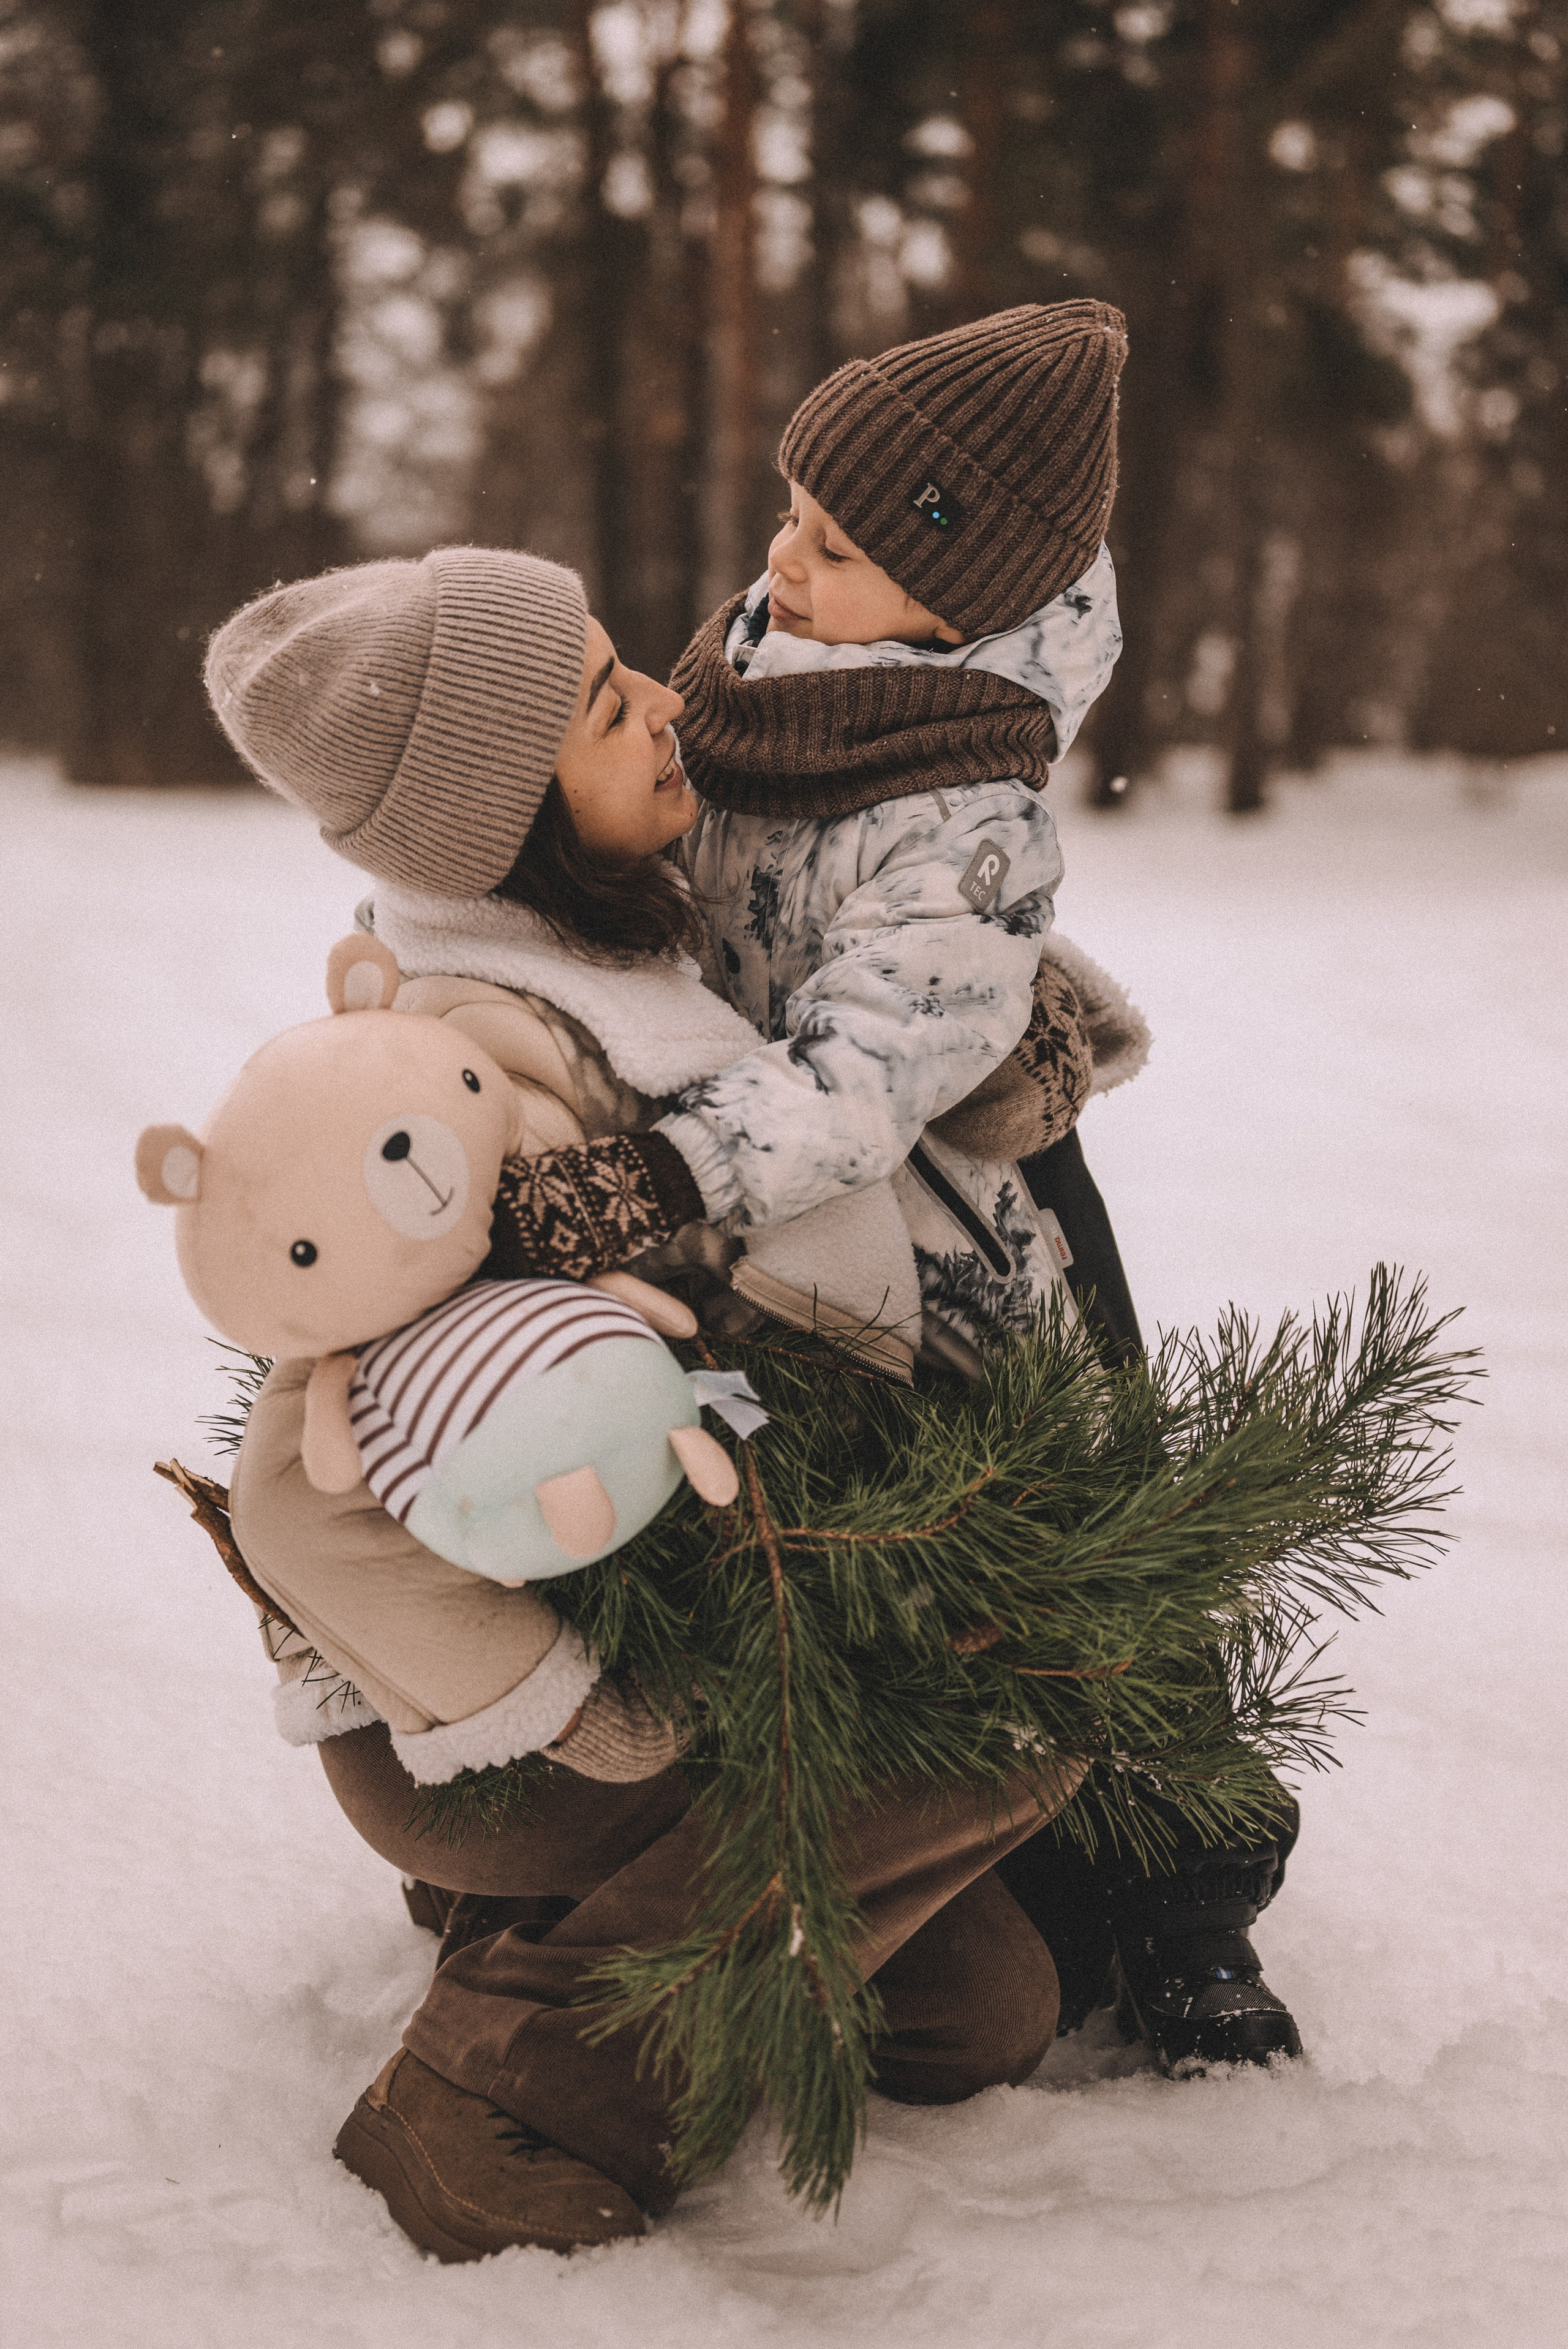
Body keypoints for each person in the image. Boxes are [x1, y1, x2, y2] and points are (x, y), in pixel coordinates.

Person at [206, 544, 1085, 2262]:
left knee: (979, 2013)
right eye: (611, 705)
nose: (669, 703)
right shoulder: (450, 1065)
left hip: (690, 1621)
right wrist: (562, 1701)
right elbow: (292, 1495)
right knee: (1012, 1707)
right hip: (536, 1709)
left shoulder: (605, 954)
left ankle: (533, 1916)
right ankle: (496, 2087)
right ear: (505, 820)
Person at [487, 302, 1306, 2076]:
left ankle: (1187, 1896)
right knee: (749, 1523)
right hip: (758, 1190)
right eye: (792, 504)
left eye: (837, 541)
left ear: (964, 595)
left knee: (1078, 1533)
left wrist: (666, 1174)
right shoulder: (758, 664)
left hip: (958, 1211)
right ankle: (616, 1827)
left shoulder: (972, 802)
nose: (784, 552)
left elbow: (870, 1075)